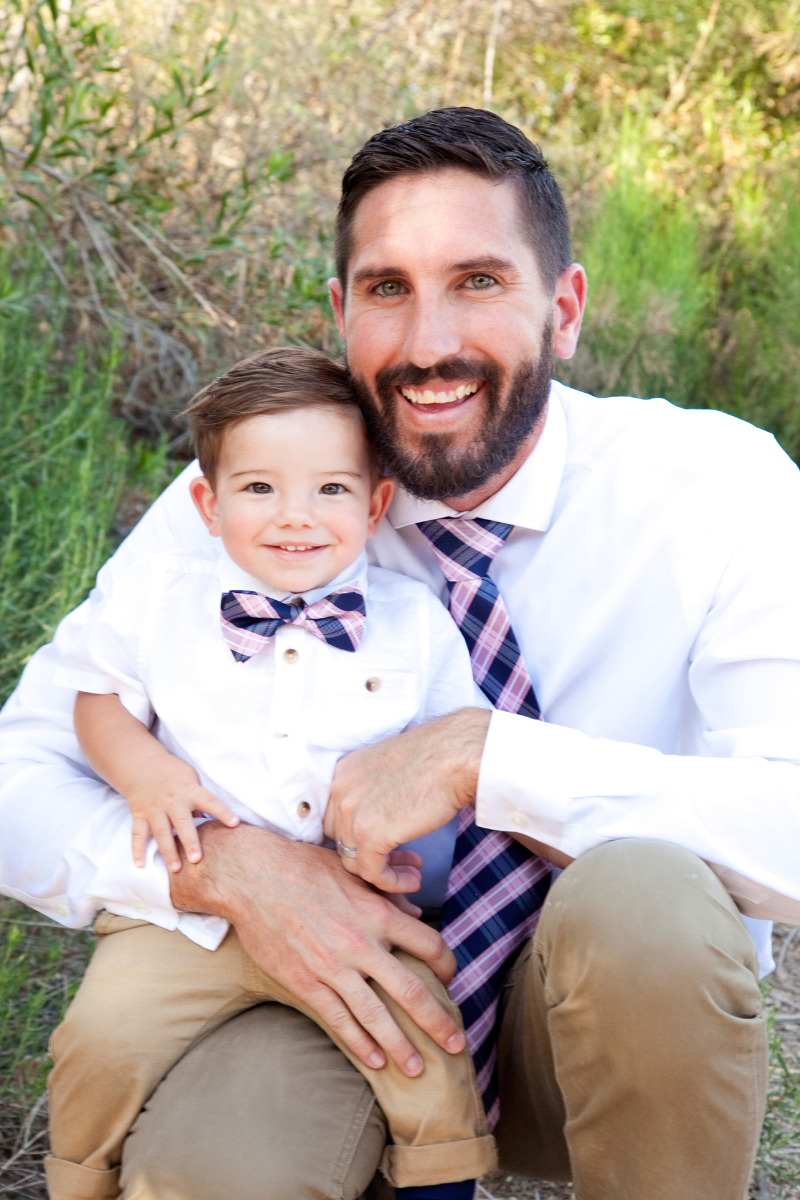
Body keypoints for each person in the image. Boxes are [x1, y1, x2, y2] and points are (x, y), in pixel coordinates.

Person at [2, 106, 800, 1200]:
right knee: (215, 1171)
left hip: (609, 1033)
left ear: (561, 309)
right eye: (387, 289)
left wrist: (488, 757)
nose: (428, 343)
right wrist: (225, 870)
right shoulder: (257, 502)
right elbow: (20, 776)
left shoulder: (712, 485)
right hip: (332, 994)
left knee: (646, 903)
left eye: (477, 281)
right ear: (340, 314)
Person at [45, 346, 497, 1200]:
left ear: (376, 502)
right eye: (259, 489)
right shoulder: (160, 601)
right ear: (208, 506)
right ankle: (79, 1178)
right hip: (181, 920)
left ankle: (440, 1183)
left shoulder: (415, 624)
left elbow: (460, 749)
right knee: (96, 1041)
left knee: (427, 1053)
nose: (296, 516)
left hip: (358, 913)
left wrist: (409, 838)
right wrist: (147, 777)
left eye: (331, 489)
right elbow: (97, 702)